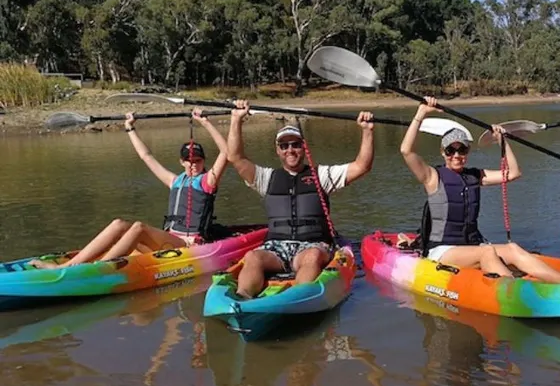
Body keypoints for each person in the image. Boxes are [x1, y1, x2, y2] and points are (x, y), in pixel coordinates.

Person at [400, 97, 560, 285]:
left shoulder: (475, 176)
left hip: (471, 247)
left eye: (461, 150)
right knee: (487, 251)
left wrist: (502, 141)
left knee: (512, 249)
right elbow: (406, 151)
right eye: (451, 151)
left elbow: (513, 173)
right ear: (443, 152)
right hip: (442, 251)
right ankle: (518, 290)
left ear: (467, 152)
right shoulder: (432, 177)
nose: (456, 155)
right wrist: (420, 114)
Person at [31, 108, 230, 269]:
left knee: (139, 227)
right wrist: (130, 129)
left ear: (204, 161)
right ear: (181, 162)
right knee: (118, 223)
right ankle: (74, 265)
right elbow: (146, 156)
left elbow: (226, 152)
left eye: (198, 160)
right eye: (188, 161)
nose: (193, 164)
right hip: (166, 241)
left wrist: (205, 123)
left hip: (187, 245)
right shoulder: (175, 181)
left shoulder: (208, 181)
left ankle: (96, 268)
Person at [226, 99, 374, 299]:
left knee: (312, 256)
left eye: (295, 144)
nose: (290, 150)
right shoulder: (266, 178)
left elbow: (362, 166)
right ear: (277, 150)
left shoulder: (322, 175)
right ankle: (243, 299)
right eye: (284, 145)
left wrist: (366, 131)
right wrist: (236, 119)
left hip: (312, 246)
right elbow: (235, 157)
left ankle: (296, 299)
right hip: (276, 248)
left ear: (303, 148)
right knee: (252, 256)